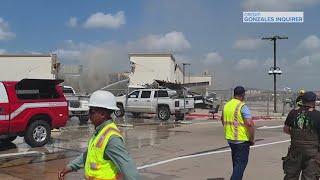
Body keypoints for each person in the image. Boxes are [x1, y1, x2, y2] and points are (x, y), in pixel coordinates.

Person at [58, 90, 140, 180]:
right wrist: (69, 167)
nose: (89, 115)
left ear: (103, 114)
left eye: (92, 112)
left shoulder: (112, 138)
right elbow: (88, 155)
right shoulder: (99, 132)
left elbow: (129, 169)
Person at [283, 91, 320, 180]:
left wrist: (297, 135)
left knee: (291, 176)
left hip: (295, 150)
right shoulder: (318, 115)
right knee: (310, 177)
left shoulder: (293, 112)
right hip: (312, 153)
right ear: (314, 102)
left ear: (302, 101)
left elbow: (286, 129)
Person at [221, 86, 255, 180]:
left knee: (236, 164)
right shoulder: (242, 106)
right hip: (242, 140)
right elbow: (250, 124)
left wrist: (229, 129)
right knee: (240, 165)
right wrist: (251, 139)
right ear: (243, 95)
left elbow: (222, 119)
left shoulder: (227, 105)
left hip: (230, 139)